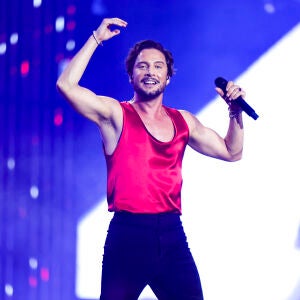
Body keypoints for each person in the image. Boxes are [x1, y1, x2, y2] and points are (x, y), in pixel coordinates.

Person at [57, 17, 245, 300]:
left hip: (171, 236)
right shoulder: (115, 115)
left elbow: (233, 152)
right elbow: (67, 85)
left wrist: (234, 111)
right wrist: (96, 38)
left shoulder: (184, 121)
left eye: (158, 66)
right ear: (131, 75)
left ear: (168, 76)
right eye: (142, 66)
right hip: (127, 237)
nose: (150, 72)